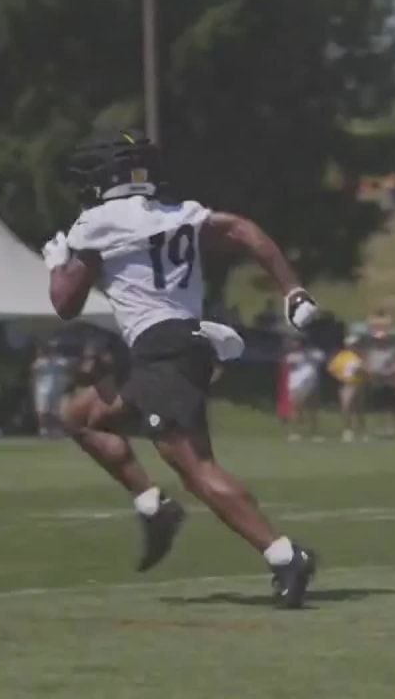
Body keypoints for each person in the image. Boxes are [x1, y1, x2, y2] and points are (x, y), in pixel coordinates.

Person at [40, 128, 320, 608]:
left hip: (164, 350)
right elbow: (244, 230)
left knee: (197, 469)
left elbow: (65, 303)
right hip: (178, 346)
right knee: (79, 416)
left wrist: (57, 263)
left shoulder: (97, 223)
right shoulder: (182, 213)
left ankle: (284, 555)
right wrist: (292, 289)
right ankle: (153, 506)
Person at [362, 308, 395, 437]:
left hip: (388, 379)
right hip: (375, 377)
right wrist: (369, 372)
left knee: (389, 405)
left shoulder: (391, 348)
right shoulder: (370, 348)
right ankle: (374, 428)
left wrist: (392, 373)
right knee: (373, 405)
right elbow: (366, 362)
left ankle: (390, 428)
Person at [281, 336, 325, 441]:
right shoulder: (291, 356)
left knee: (312, 409)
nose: (295, 345)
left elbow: (321, 359)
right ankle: (294, 432)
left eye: (297, 342)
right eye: (294, 343)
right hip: (297, 385)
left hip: (313, 384)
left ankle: (314, 432)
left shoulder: (315, 353)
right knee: (296, 408)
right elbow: (290, 365)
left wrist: (308, 355)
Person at [327, 335, 367, 442]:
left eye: (356, 344)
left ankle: (361, 431)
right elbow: (331, 368)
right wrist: (340, 377)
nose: (354, 346)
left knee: (358, 409)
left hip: (359, 384)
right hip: (347, 385)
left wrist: (362, 371)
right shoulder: (342, 356)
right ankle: (347, 430)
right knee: (346, 407)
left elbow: (366, 369)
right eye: (353, 345)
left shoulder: (360, 356)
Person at [30, 341, 73, 437]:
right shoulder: (39, 363)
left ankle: (56, 429)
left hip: (57, 389)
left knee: (55, 411)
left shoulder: (60, 361)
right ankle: (44, 429)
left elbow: (69, 368)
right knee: (43, 410)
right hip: (42, 389)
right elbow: (34, 373)